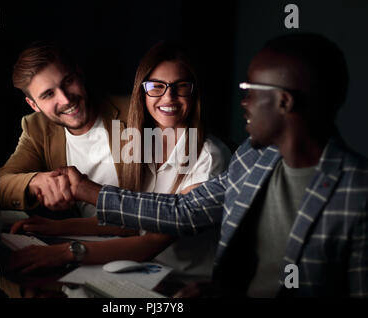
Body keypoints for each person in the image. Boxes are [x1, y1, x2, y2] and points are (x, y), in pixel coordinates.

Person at [62, 33, 368, 297]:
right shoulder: (252, 157)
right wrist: (90, 192)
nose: (243, 102)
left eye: (250, 89)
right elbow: (184, 212)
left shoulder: (357, 193)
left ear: (284, 102)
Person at [8, 42, 231, 285]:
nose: (168, 97)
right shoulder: (143, 139)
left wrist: (66, 251)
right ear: (142, 91)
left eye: (181, 87)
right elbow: (133, 222)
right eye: (156, 87)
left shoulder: (210, 156)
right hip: (139, 271)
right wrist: (55, 227)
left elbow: (152, 241)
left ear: (194, 91)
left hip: (183, 283)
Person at [0, 41, 132, 224]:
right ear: (33, 105)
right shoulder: (37, 128)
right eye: (48, 94)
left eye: (68, 82)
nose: (66, 99)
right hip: (89, 241)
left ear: (79, 73)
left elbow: (161, 210)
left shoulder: (134, 111)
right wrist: (34, 182)